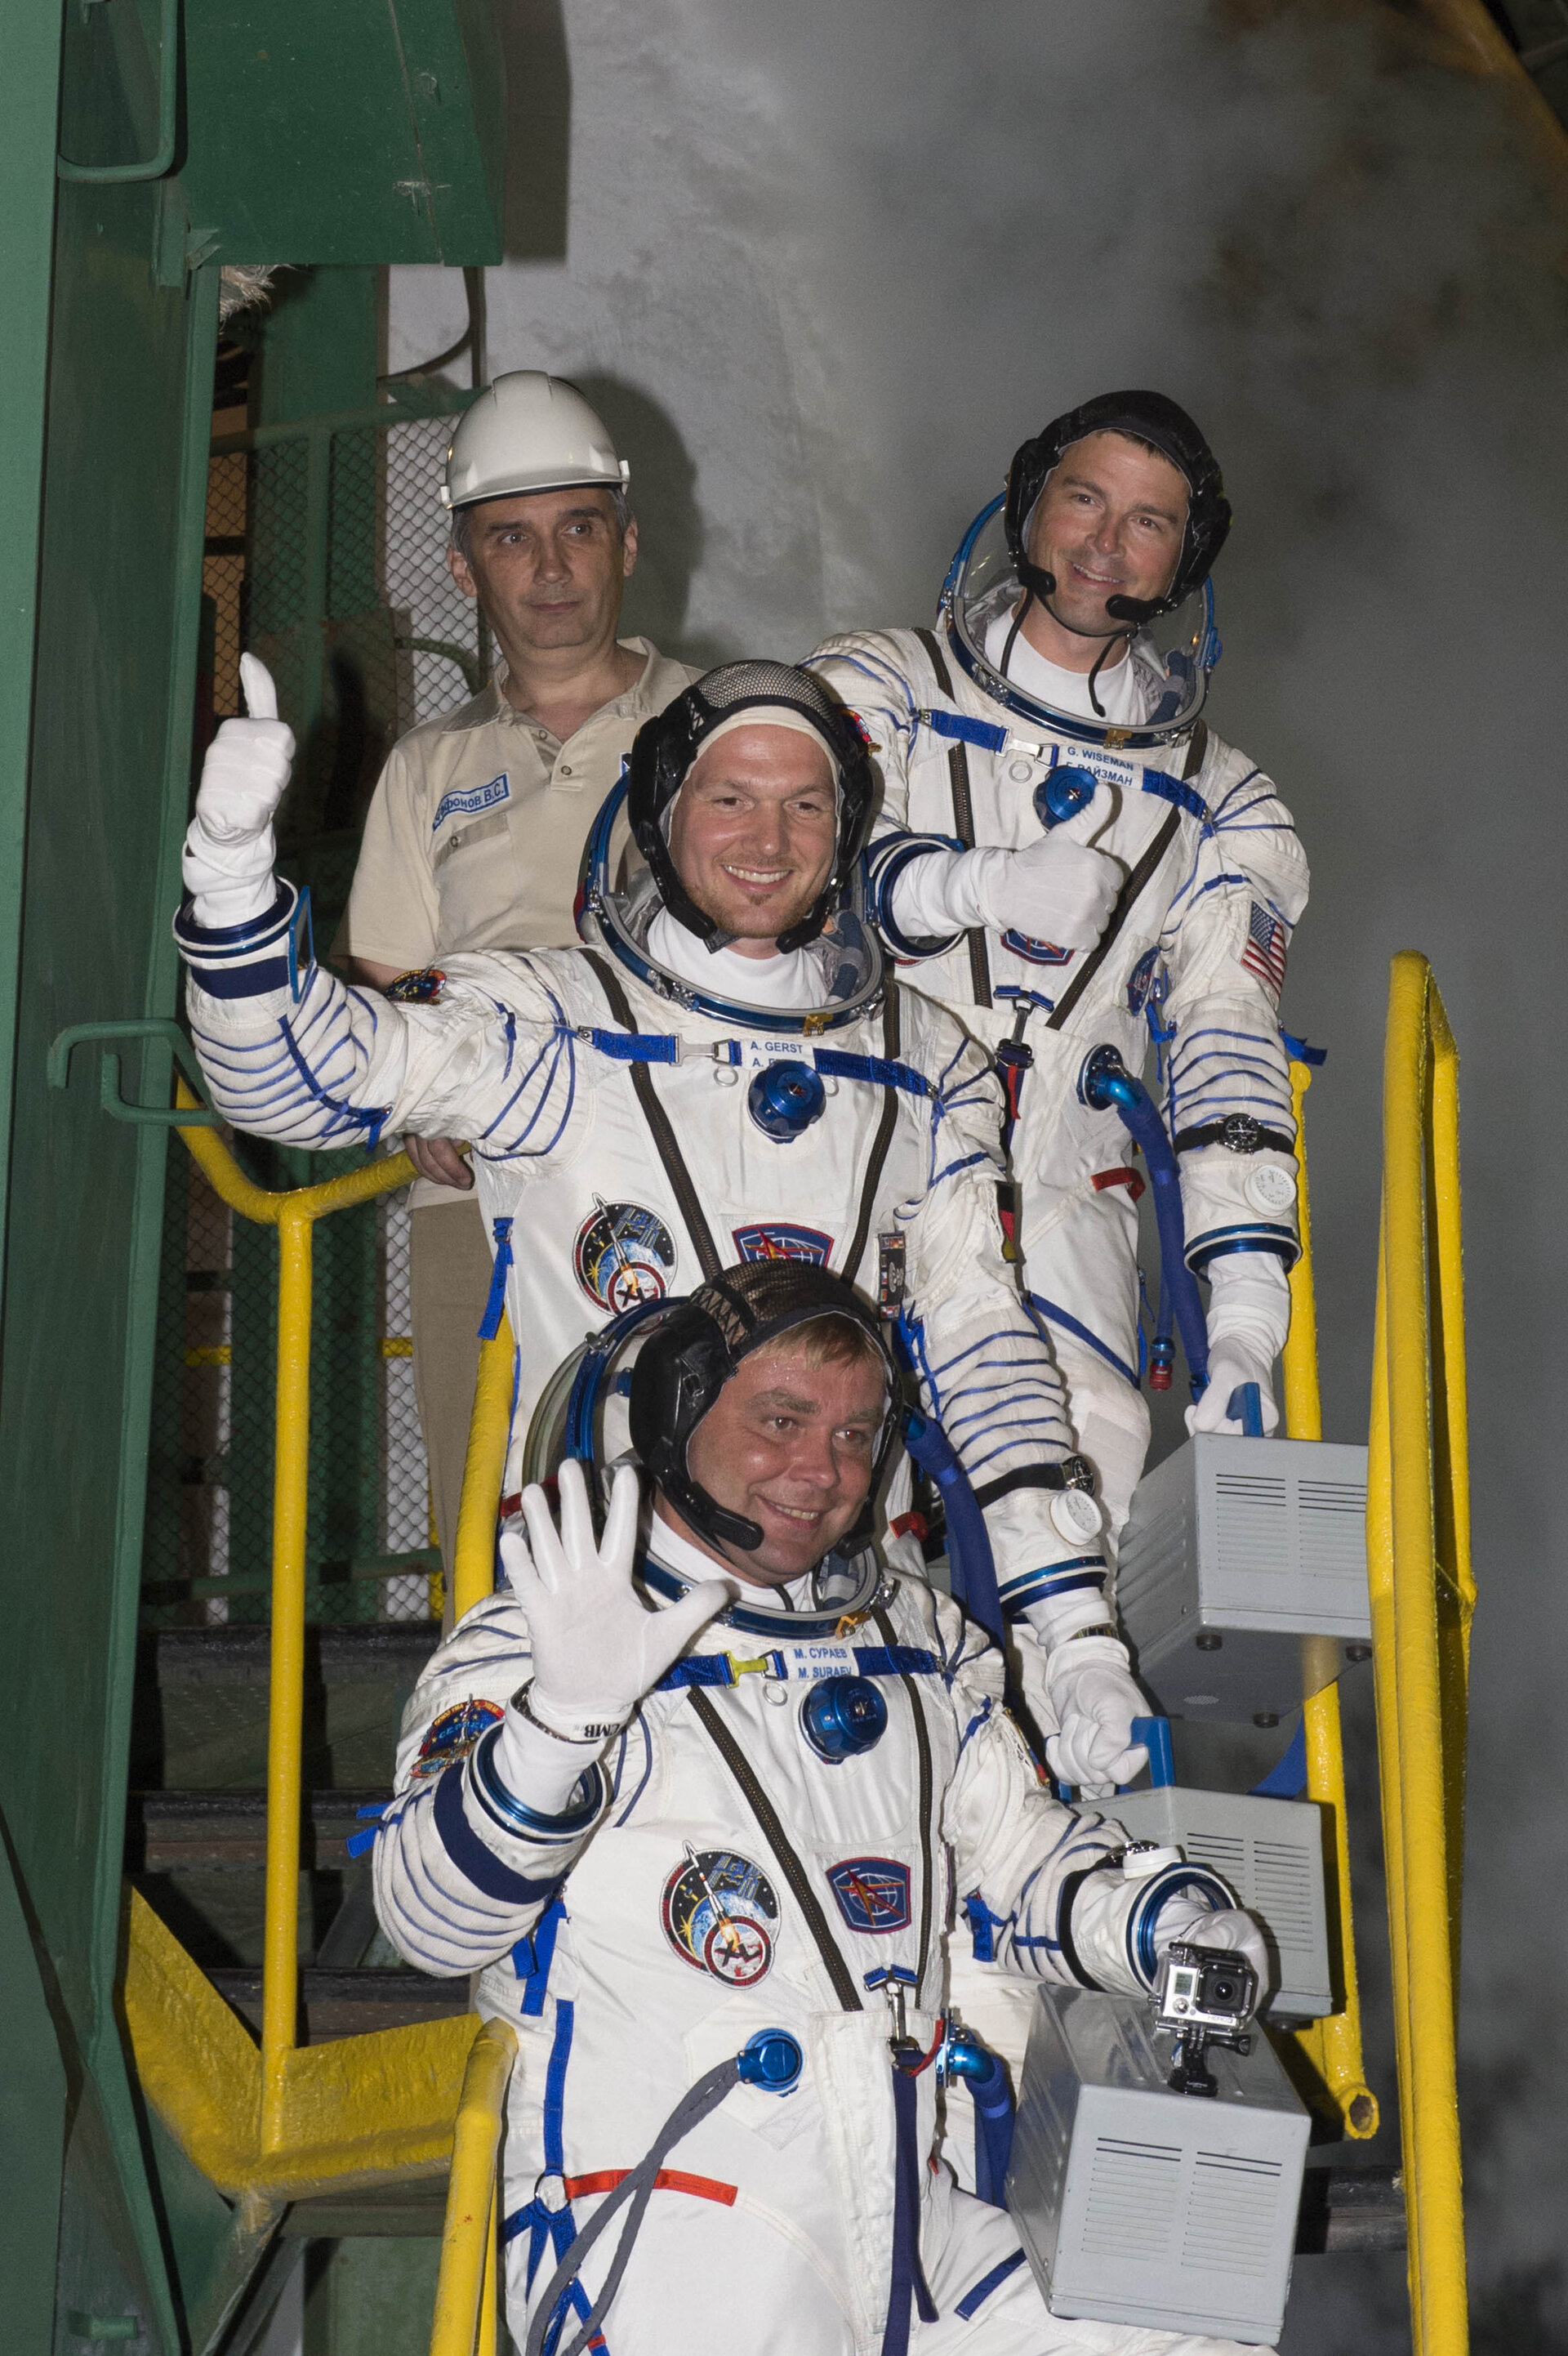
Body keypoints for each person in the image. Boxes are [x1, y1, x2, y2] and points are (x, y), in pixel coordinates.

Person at [176, 654, 1152, 1790]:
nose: (769, 839)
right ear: (661, 813)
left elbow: (987, 1356)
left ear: (848, 832)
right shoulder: (557, 1025)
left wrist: (1074, 1639)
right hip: (598, 1639)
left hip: (867, 1641)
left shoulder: (929, 1065)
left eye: (806, 804)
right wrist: (234, 882)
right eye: (730, 798)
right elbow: (298, 1081)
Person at [366, 1261, 1272, 2356]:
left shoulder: (921, 1651)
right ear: (677, 1414)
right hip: (669, 2222)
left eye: (853, 1436)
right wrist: (563, 1724)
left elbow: (1029, 1859)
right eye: (780, 1421)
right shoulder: (539, 1642)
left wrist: (1171, 1926)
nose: (820, 1471)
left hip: (906, 2223)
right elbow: (428, 1924)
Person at [807, 390, 1308, 1580]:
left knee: (1078, 1500)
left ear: (1187, 561)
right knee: (821, 1492)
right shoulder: (878, 687)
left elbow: (1226, 1056)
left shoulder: (1226, 802)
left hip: (1069, 1201)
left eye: (1147, 522)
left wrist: (1242, 1327)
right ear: (1029, 507)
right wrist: (964, 888)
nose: (1103, 542)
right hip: (863, 1162)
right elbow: (775, 878)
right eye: (1084, 498)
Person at [336, 372, 701, 1573]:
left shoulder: (726, 725)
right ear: (463, 567)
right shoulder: (428, 769)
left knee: (704, 1528)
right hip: (479, 1209)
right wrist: (421, 1109)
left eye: (577, 528)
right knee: (495, 1546)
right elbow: (387, 997)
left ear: (626, 542)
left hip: (702, 1179)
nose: (549, 567)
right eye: (511, 537)